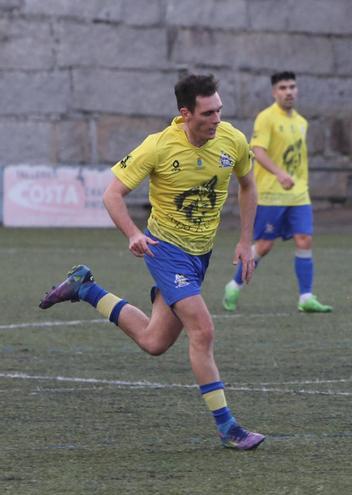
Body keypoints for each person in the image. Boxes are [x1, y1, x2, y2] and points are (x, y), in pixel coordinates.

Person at [39, 74, 265, 449]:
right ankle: (229, 428)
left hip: (199, 255)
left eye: (220, 110)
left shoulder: (232, 140)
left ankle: (85, 287)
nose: (217, 119)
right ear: (185, 113)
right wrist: (133, 233)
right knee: (203, 331)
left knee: (154, 341)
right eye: (208, 113)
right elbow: (113, 194)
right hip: (165, 250)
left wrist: (245, 241)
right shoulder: (157, 147)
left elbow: (248, 185)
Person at [222, 71, 332, 314]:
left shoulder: (302, 122)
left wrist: (297, 180)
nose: (289, 91)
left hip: (299, 195)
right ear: (274, 92)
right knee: (264, 245)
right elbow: (258, 151)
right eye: (283, 87)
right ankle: (234, 285)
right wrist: (280, 174)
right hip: (271, 194)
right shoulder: (266, 118)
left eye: (292, 86)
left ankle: (306, 297)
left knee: (305, 239)